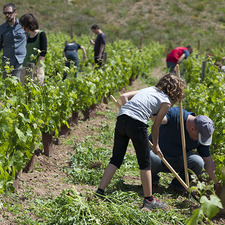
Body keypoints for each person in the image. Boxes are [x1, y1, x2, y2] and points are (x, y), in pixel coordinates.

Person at [96, 73, 186, 210]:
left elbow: (123, 96)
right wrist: (156, 145)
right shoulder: (166, 101)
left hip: (122, 118)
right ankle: (149, 200)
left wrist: (129, 111)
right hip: (137, 123)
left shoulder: (149, 89)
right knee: (145, 163)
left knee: (116, 159)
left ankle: (99, 192)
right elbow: (156, 126)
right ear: (176, 91)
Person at [149, 107, 219, 192]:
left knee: (198, 162)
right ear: (193, 129)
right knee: (153, 158)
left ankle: (178, 185)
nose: (199, 140)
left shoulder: (202, 134)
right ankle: (152, 183)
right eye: (199, 137)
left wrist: (218, 183)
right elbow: (158, 119)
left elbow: (208, 161)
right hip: (156, 153)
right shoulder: (176, 114)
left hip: (176, 160)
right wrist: (157, 114)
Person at [0, 3, 26, 81]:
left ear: (15, 12)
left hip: (21, 60)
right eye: (5, 13)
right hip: (7, 62)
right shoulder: (1, 28)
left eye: (9, 13)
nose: (7, 15)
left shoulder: (23, 26)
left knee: (17, 83)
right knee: (7, 85)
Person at [19, 13, 47, 86]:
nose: (21, 28)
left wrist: (36, 69)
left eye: (22, 25)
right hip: (25, 66)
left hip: (36, 68)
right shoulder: (27, 36)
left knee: (36, 91)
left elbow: (43, 54)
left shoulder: (41, 34)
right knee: (24, 92)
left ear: (27, 25)